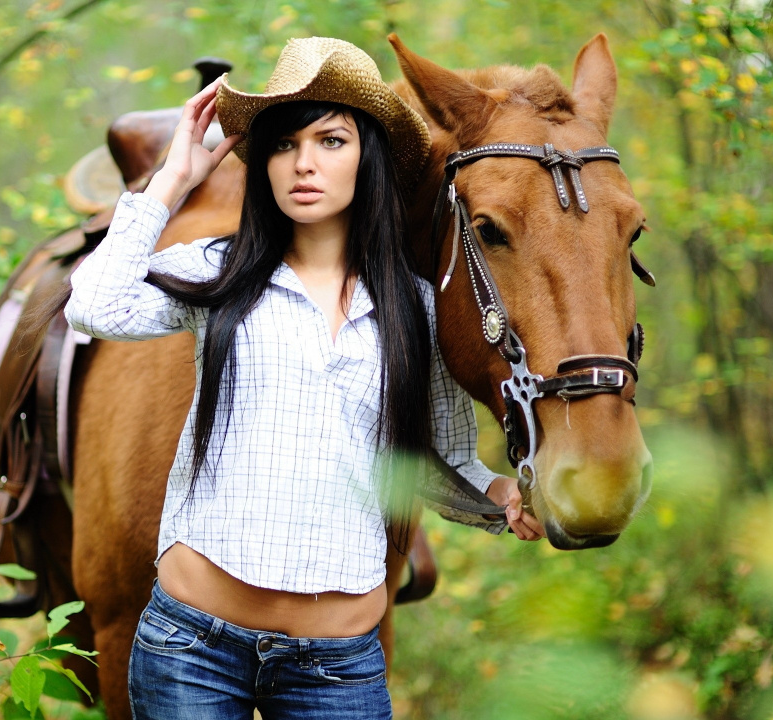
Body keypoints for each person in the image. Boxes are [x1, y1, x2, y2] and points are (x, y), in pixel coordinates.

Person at [65, 37, 542, 720]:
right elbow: (94, 305)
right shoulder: (221, 270)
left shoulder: (417, 307)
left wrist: (498, 496)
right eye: (284, 144)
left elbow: (436, 459)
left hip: (338, 665)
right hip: (192, 647)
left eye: (331, 140)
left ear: (368, 157)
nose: (305, 163)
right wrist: (170, 182)